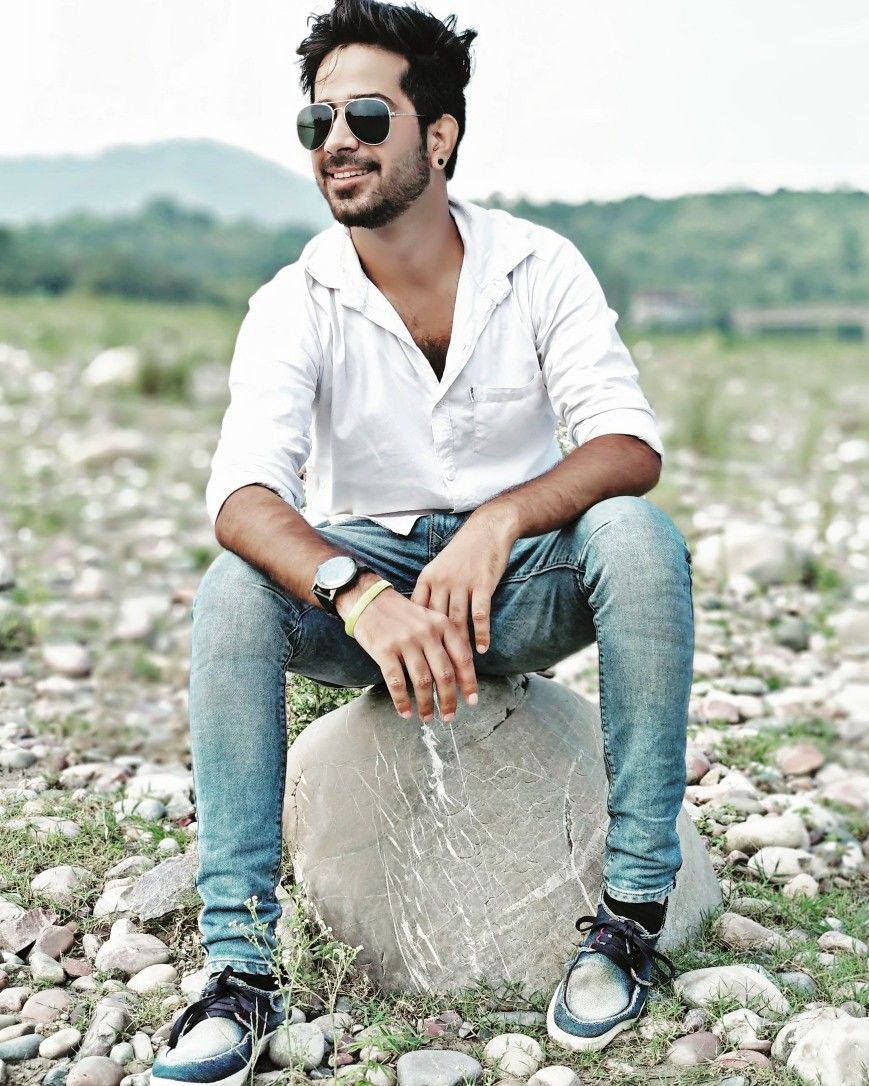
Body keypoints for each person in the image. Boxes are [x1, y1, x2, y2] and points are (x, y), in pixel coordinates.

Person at [151, 2, 694, 1083]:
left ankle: (631, 911)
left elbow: (627, 445)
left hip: (520, 590)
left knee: (635, 537)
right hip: (374, 610)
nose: (335, 142)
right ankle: (241, 970)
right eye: (316, 122)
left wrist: (498, 520)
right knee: (230, 590)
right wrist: (353, 588)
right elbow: (243, 497)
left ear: (436, 135)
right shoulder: (292, 299)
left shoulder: (537, 267)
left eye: (363, 115)